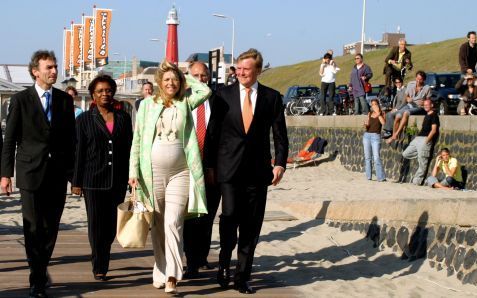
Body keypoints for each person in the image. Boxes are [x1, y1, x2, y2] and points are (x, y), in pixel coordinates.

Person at [206, 48, 289, 294]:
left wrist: (280, 163)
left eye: (246, 69)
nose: (240, 73)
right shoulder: (222, 95)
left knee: (251, 227)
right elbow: (212, 134)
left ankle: (242, 277)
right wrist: (210, 166)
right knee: (230, 216)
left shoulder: (272, 97)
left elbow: (280, 135)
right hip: (228, 170)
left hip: (257, 171)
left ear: (258, 71)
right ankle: (224, 263)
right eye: (238, 68)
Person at [128, 60, 211, 293]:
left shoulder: (186, 102)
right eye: (166, 79)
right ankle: (161, 269)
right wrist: (133, 171)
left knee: (173, 222)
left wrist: (185, 74)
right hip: (151, 173)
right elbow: (137, 140)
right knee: (157, 224)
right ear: (159, 83)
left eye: (175, 80)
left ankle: (173, 274)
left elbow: (206, 90)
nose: (171, 83)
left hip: (181, 172)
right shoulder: (146, 105)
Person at [1, 50, 76, 298]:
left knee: (51, 227)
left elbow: (71, 141)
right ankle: (37, 278)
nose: (54, 71)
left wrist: (74, 175)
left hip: (57, 173)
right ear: (35, 71)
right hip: (29, 172)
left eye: (55, 67)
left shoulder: (64, 101)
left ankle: (41, 269)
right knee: (33, 228)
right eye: (49, 68)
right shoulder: (21, 99)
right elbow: (10, 139)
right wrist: (5, 174)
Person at [71, 75, 133, 281]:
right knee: (96, 224)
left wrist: (133, 177)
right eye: (100, 91)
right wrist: (76, 181)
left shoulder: (123, 118)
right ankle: (99, 265)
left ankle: (103, 252)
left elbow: (129, 149)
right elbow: (78, 151)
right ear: (93, 96)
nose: (105, 94)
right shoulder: (84, 120)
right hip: (92, 180)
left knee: (111, 226)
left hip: (117, 180)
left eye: (108, 90)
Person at [183, 61, 221, 279]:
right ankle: (191, 262)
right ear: (189, 76)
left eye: (204, 75)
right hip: (186, 169)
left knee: (207, 216)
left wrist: (214, 167)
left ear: (209, 76)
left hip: (212, 170)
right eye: (195, 75)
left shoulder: (218, 100)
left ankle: (202, 256)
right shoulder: (183, 100)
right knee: (190, 218)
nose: (200, 79)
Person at [402, 99, 439, 185]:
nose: (426, 106)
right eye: (424, 105)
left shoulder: (434, 115)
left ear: (432, 105)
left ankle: (417, 181)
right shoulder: (426, 114)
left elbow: (434, 130)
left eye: (427, 105)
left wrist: (427, 141)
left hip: (425, 140)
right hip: (418, 139)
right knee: (405, 154)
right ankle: (420, 155)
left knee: (422, 163)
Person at [386, 71, 431, 144]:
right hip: (409, 105)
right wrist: (408, 99)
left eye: (420, 79)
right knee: (398, 116)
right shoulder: (410, 84)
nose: (418, 81)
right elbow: (406, 96)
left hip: (419, 107)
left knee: (406, 113)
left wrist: (424, 102)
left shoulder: (427, 88)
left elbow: (429, 101)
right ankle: (395, 136)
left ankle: (396, 135)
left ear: (424, 80)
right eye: (417, 78)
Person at [363, 99, 386, 182]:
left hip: (376, 136)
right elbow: (367, 126)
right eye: (372, 105)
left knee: (376, 157)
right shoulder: (370, 113)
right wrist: (366, 124)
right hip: (367, 136)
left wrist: (378, 113)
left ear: (378, 105)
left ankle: (381, 177)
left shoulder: (382, 113)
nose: (374, 106)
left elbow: (383, 123)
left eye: (375, 104)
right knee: (367, 157)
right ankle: (368, 176)